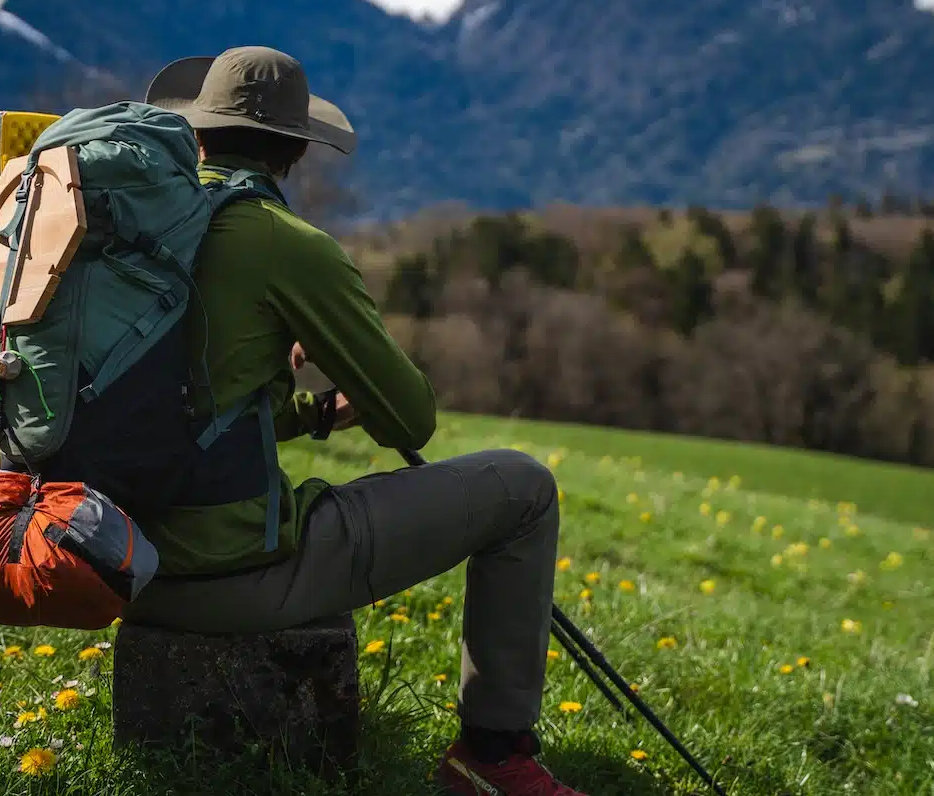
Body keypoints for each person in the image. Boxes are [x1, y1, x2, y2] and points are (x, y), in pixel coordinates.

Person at [121, 45, 587, 796]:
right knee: (523, 488)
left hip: (117, 560)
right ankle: (493, 755)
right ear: (298, 150)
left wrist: (306, 411)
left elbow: (186, 409)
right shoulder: (288, 244)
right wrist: (345, 366)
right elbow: (410, 417)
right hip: (224, 576)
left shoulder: (138, 227)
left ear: (196, 133)